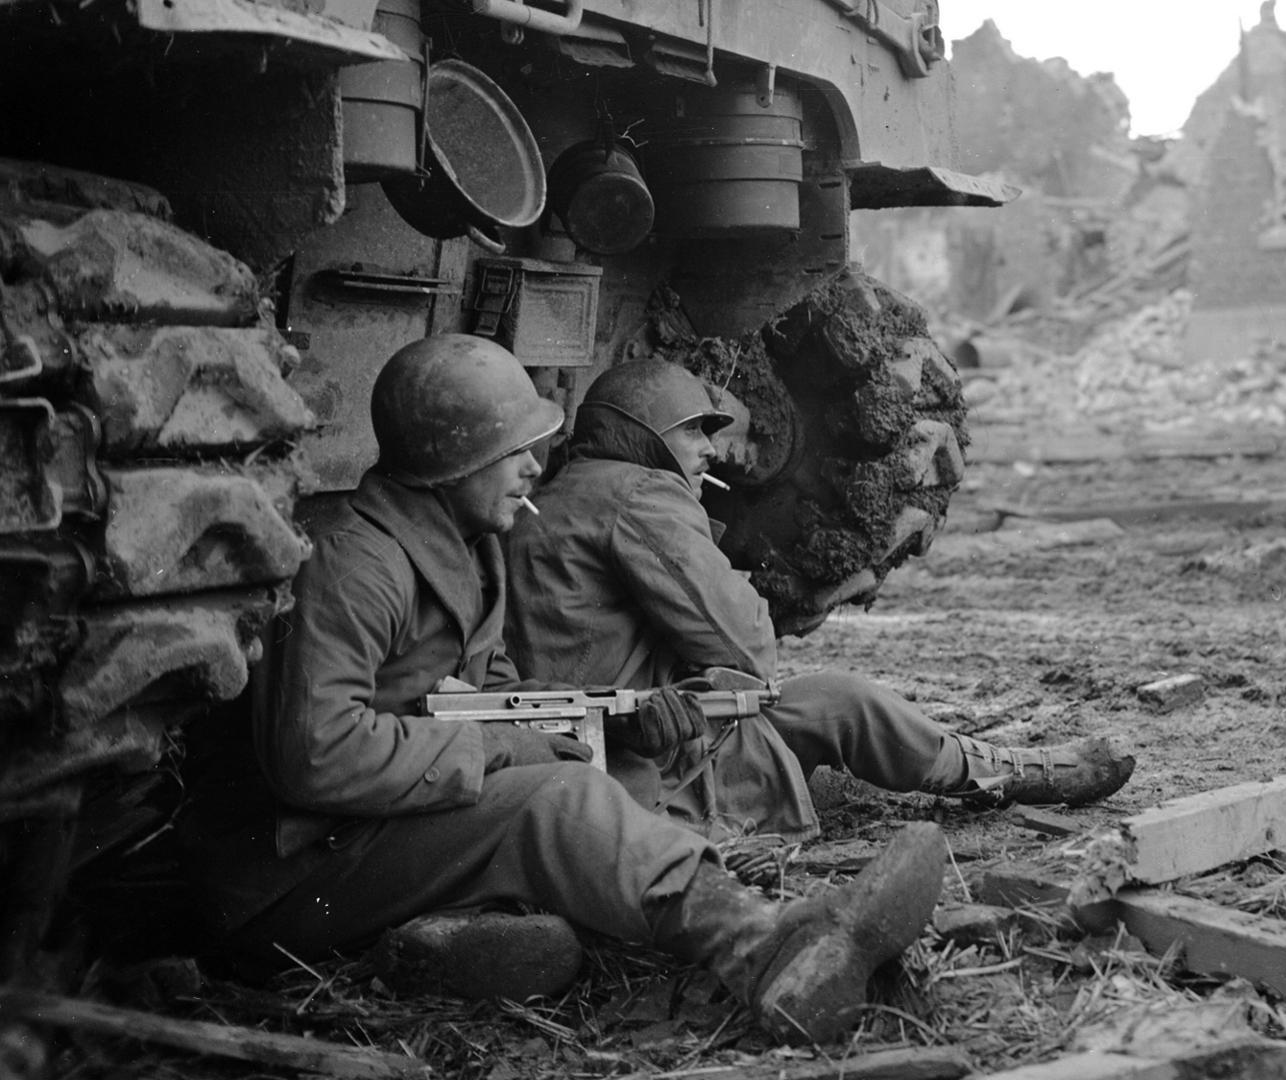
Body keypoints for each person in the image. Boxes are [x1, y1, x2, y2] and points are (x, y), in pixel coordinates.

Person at [180, 334, 945, 1043]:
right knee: (557, 804)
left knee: (594, 779)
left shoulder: (474, 549)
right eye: (515, 450)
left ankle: (479, 944)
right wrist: (498, 749)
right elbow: (315, 754)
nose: (533, 468)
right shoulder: (354, 564)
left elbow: (501, 693)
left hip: (377, 827)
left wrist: (619, 720)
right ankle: (768, 950)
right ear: (456, 460)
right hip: (294, 872)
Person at [502, 357, 1134, 844]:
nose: (709, 449)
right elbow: (747, 650)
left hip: (594, 757)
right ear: (643, 433)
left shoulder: (566, 495)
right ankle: (1011, 776)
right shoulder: (640, 494)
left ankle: (986, 770)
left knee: (827, 708)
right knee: (843, 703)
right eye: (692, 430)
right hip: (648, 766)